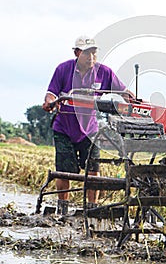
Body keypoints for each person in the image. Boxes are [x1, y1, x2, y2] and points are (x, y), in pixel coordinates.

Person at [42, 35, 127, 215]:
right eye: (87, 53)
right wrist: (49, 102)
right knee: (64, 171)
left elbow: (124, 92)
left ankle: (91, 209)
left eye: (94, 53)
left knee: (93, 171)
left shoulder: (104, 72)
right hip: (64, 128)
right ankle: (62, 210)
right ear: (76, 53)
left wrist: (133, 101)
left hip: (90, 130)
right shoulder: (63, 69)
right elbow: (51, 93)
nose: (91, 57)